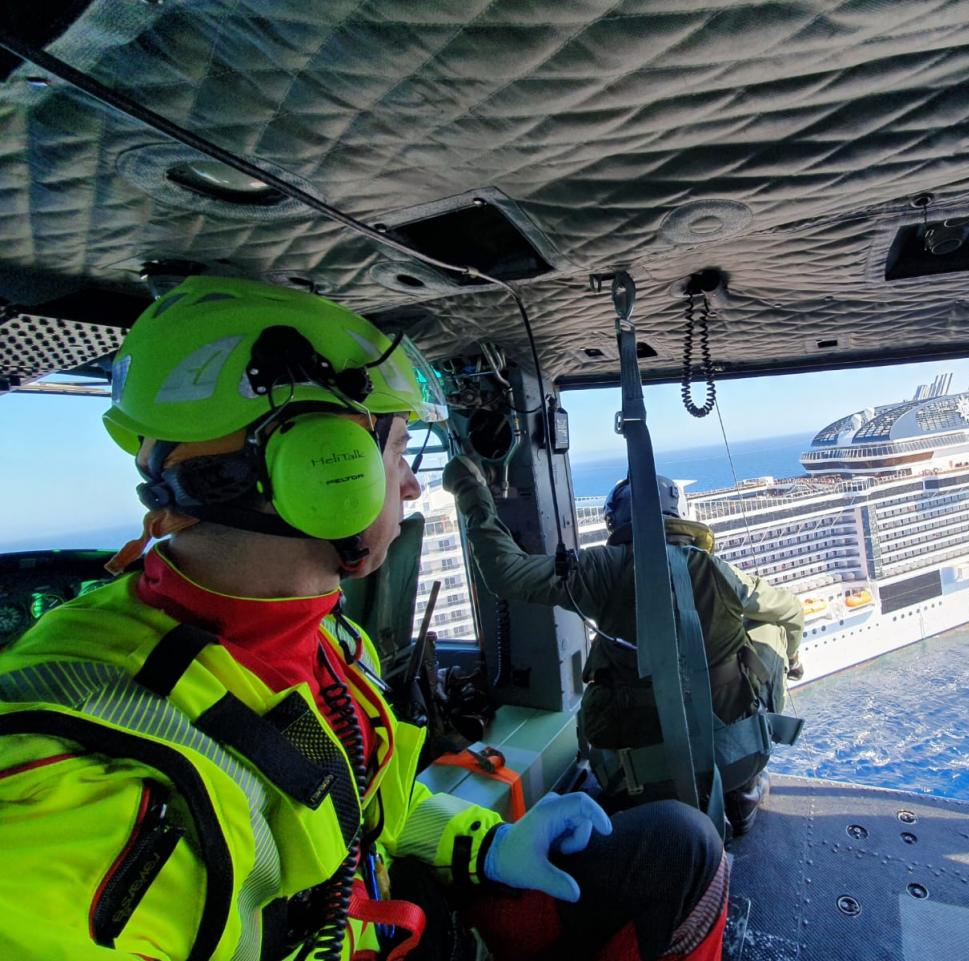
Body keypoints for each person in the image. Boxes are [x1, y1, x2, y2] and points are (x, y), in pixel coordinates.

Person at [0, 277, 729, 961]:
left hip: (392, 917)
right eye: (397, 450)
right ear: (322, 471)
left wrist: (484, 844)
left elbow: (363, 797)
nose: (411, 484)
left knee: (680, 843)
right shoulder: (76, 780)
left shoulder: (326, 637)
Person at [442, 459, 804, 834]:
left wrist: (471, 489)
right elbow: (791, 610)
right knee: (769, 630)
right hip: (735, 757)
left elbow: (505, 572)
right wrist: (791, 658)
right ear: (676, 514)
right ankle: (743, 792)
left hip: (632, 777)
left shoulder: (599, 568)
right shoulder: (720, 570)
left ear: (614, 523)